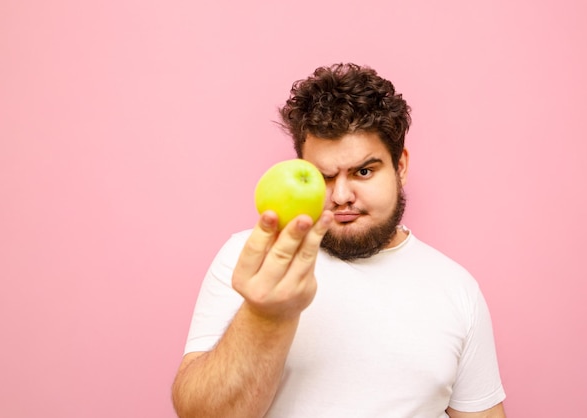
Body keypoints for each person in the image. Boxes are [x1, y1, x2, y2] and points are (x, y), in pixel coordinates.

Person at [172, 63, 506, 418]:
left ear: (401, 166)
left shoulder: (456, 288)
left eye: (364, 171)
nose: (342, 195)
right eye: (324, 176)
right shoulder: (252, 261)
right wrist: (265, 317)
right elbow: (200, 413)